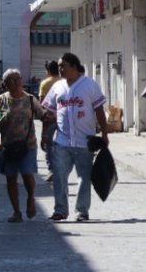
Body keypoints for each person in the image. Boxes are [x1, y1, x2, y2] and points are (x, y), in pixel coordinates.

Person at [41, 52, 107, 222]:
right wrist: (44, 133)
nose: (60, 69)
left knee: (84, 178)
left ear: (74, 66)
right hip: (62, 141)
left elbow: (99, 109)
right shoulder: (57, 86)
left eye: (63, 66)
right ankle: (61, 210)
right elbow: (49, 112)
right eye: (59, 66)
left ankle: (82, 211)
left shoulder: (89, 84)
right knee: (59, 175)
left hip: (85, 141)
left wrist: (104, 134)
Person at [0, 69, 44, 222]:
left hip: (27, 145)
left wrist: (50, 119)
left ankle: (31, 199)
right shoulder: (1, 101)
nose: (16, 82)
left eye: (18, 79)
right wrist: (0, 121)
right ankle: (16, 211)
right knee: (11, 178)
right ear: (6, 84)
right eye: (11, 80)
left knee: (28, 174)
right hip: (7, 146)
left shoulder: (30, 100)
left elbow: (42, 114)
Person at [38, 60, 61, 181]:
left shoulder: (45, 83)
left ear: (48, 71)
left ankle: (52, 169)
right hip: (64, 118)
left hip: (49, 118)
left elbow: (42, 104)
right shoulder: (65, 82)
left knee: (48, 143)